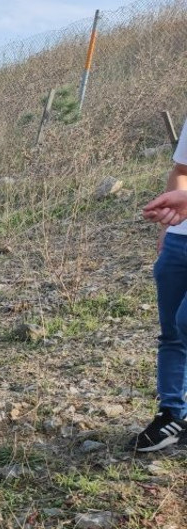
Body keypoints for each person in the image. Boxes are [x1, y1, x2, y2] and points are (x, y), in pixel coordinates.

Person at [134, 119, 187, 451]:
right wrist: (166, 229)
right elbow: (181, 171)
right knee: (171, 333)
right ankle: (171, 415)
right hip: (179, 240)